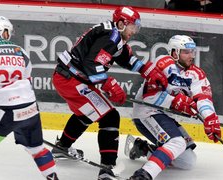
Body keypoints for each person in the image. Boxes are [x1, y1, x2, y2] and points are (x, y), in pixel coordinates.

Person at [51, 6, 168, 180]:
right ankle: (107, 168)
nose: (134, 31)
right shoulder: (110, 37)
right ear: (121, 23)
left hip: (69, 78)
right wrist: (109, 84)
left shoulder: (114, 35)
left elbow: (125, 58)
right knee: (110, 117)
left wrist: (147, 71)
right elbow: (92, 65)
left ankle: (62, 147)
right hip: (71, 80)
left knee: (87, 113)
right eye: (132, 26)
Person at [127, 35, 222, 180]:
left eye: (192, 51)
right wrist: (177, 102)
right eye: (186, 52)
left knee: (187, 161)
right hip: (146, 112)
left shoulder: (196, 74)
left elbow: (203, 98)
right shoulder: (162, 63)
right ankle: (143, 175)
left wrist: (210, 118)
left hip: (165, 116)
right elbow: (149, 96)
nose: (191, 55)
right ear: (174, 52)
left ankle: (144, 148)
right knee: (176, 142)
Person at [0, 16, 59, 180]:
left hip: (4, 112)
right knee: (37, 149)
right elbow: (27, 79)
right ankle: (53, 177)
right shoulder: (20, 51)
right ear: (4, 31)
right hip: (30, 109)